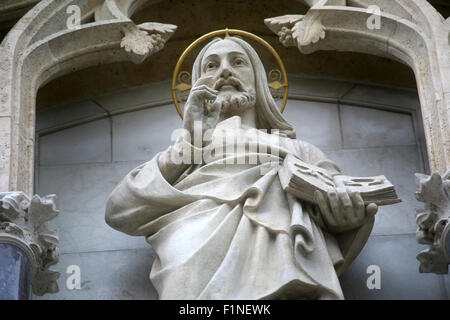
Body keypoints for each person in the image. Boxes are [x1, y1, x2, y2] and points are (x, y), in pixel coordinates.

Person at [105, 37, 377, 299]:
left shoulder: (301, 151)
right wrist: (190, 144)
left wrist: (346, 219)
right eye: (211, 65)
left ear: (258, 79)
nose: (225, 71)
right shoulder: (183, 154)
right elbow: (120, 210)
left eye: (238, 62)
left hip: (288, 273)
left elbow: (342, 203)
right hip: (194, 267)